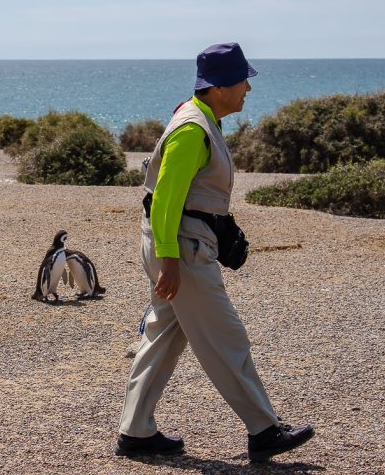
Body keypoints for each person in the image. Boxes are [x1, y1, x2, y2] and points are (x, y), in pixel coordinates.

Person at [115, 43, 314, 461]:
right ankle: (264, 430)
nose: (248, 88)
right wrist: (170, 259)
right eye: (244, 80)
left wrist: (216, 225)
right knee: (227, 338)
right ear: (221, 86)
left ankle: (135, 431)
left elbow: (183, 196)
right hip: (181, 251)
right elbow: (167, 198)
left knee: (164, 337)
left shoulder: (200, 119)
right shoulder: (193, 128)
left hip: (176, 242)